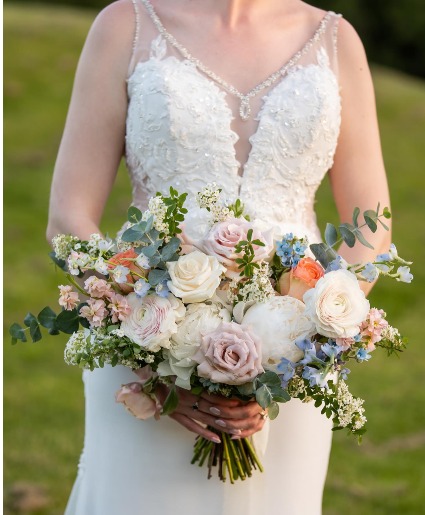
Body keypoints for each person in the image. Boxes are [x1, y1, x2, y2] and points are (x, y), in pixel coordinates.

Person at [46, 0, 391, 513]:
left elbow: (372, 224)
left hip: (294, 366)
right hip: (145, 349)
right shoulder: (127, 25)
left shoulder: (336, 39)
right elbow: (68, 220)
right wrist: (148, 352)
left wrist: (298, 351)